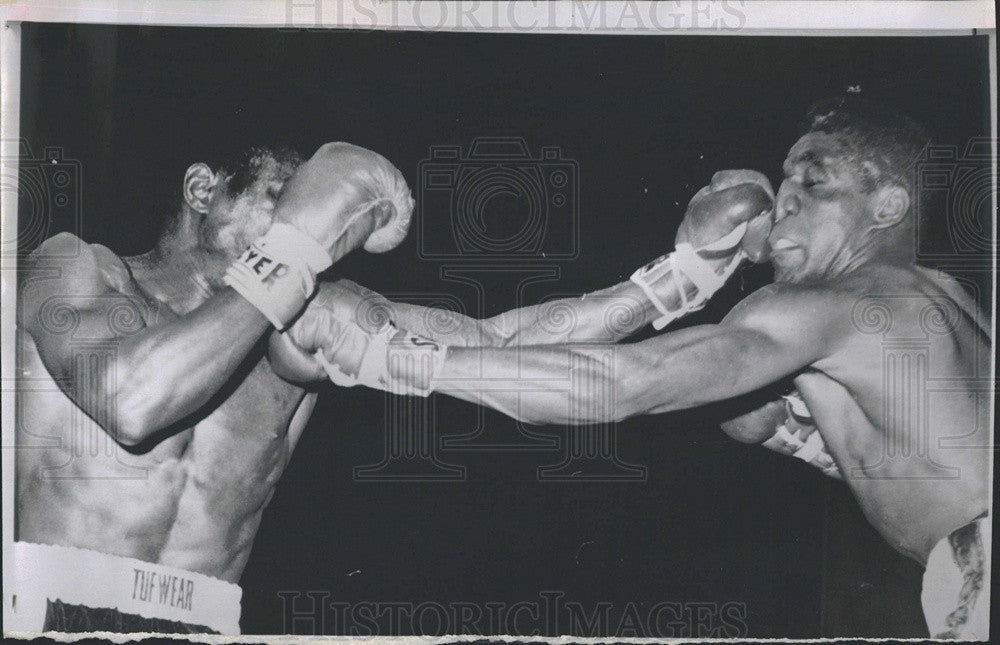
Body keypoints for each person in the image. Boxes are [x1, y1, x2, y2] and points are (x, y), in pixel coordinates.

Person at [274, 97, 992, 639]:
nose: (785, 201)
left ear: (889, 205)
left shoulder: (832, 306)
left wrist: (390, 358)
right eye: (784, 180)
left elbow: (625, 386)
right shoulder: (942, 306)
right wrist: (696, 276)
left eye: (813, 182)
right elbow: (759, 419)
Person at [10, 141, 416, 634]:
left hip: (205, 625)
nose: (303, 226)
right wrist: (287, 257)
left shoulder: (298, 335)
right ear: (203, 190)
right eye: (281, 198)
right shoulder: (75, 266)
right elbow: (132, 404)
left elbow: (486, 344)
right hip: (54, 614)